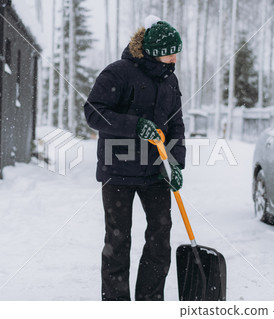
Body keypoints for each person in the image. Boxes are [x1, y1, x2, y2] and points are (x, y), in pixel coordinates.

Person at [84, 15, 185, 301]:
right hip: (118, 171)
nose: (175, 58)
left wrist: (176, 164)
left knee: (160, 238)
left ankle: (149, 302)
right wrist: (135, 125)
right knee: (118, 241)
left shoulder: (170, 80)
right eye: (170, 53)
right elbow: (93, 112)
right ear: (154, 52)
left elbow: (176, 124)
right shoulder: (117, 73)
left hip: (155, 172)